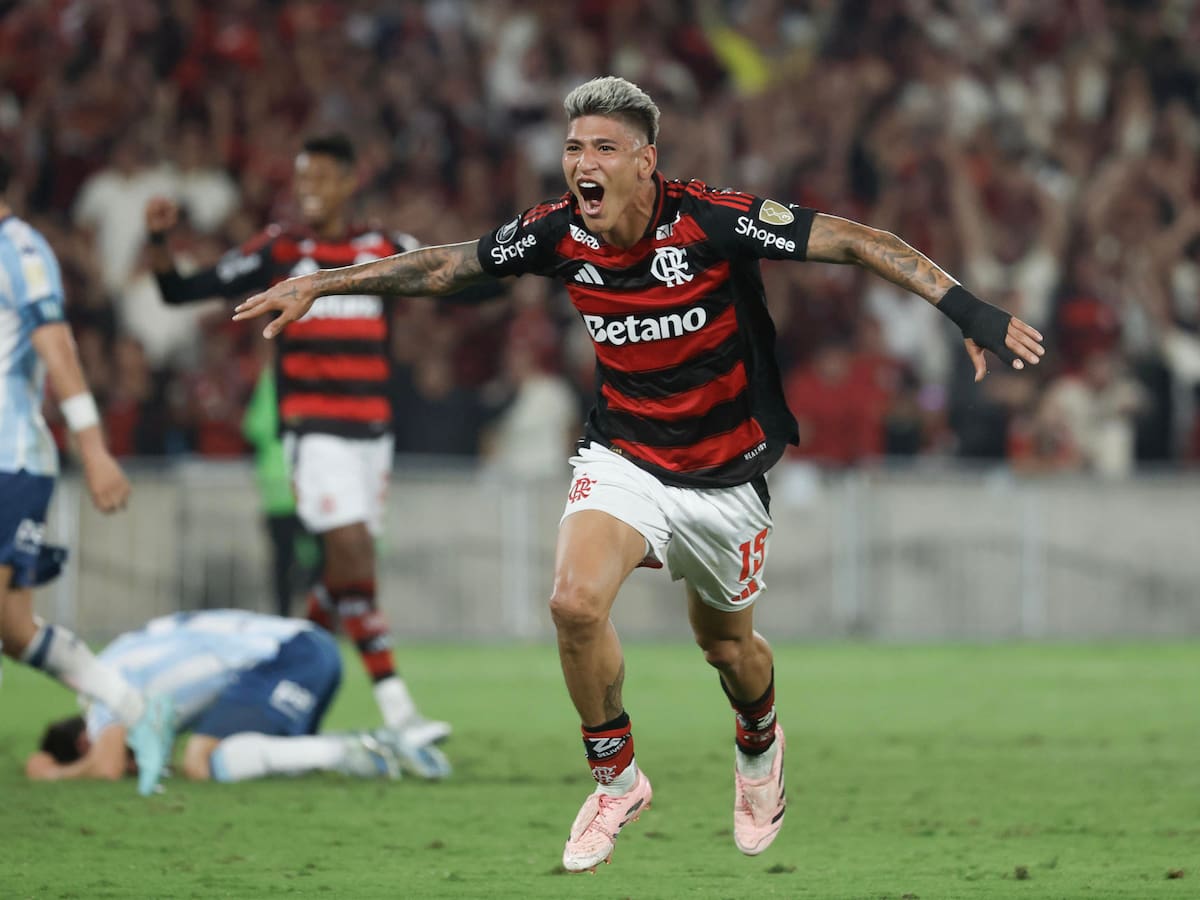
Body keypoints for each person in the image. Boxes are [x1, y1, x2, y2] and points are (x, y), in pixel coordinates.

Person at [232, 77, 1045, 871]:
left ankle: (759, 745)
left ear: (645, 161)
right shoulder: (558, 233)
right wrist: (321, 284)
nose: (583, 161)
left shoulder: (714, 220)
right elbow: (448, 268)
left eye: (604, 147)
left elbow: (860, 242)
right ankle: (616, 779)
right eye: (573, 146)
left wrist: (969, 311)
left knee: (729, 650)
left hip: (726, 479)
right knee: (573, 602)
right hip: (625, 458)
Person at [143, 133, 450, 764]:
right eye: (300, 179)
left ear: (347, 182)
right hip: (314, 434)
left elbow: (458, 278)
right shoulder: (281, 247)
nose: (307, 190)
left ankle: (285, 681)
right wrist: (159, 243)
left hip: (374, 439)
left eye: (319, 179)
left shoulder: (384, 250)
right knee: (352, 554)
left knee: (345, 579)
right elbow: (181, 291)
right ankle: (400, 712)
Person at [0, 152, 175, 797]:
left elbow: (56, 349)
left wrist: (94, 447)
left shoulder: (20, 250)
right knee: (13, 629)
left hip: (10, 455)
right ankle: (137, 709)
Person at [25, 608, 451, 785]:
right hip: (305, 645)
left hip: (284, 658)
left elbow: (106, 766)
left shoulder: (101, 692)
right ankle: (358, 749)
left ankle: (369, 747)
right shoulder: (125, 649)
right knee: (251, 753)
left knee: (202, 760)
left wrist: (49, 773)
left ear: (84, 738)